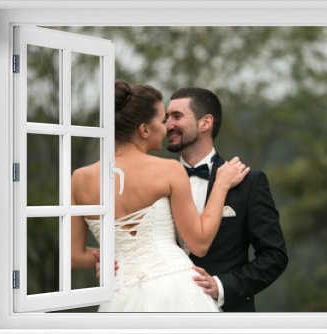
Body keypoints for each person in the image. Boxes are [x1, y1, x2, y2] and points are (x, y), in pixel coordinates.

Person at [70, 80, 249, 312]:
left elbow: (74, 256)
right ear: (144, 130)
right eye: (161, 120)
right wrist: (221, 185)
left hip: (119, 294)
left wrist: (109, 259)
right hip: (175, 288)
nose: (166, 127)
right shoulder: (168, 170)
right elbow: (200, 243)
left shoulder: (79, 178)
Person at [164, 87, 288, 312]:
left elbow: (274, 257)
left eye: (177, 116)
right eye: (166, 117)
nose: (167, 125)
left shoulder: (249, 182)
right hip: (165, 310)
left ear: (205, 123)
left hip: (228, 314)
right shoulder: (156, 182)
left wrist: (221, 286)